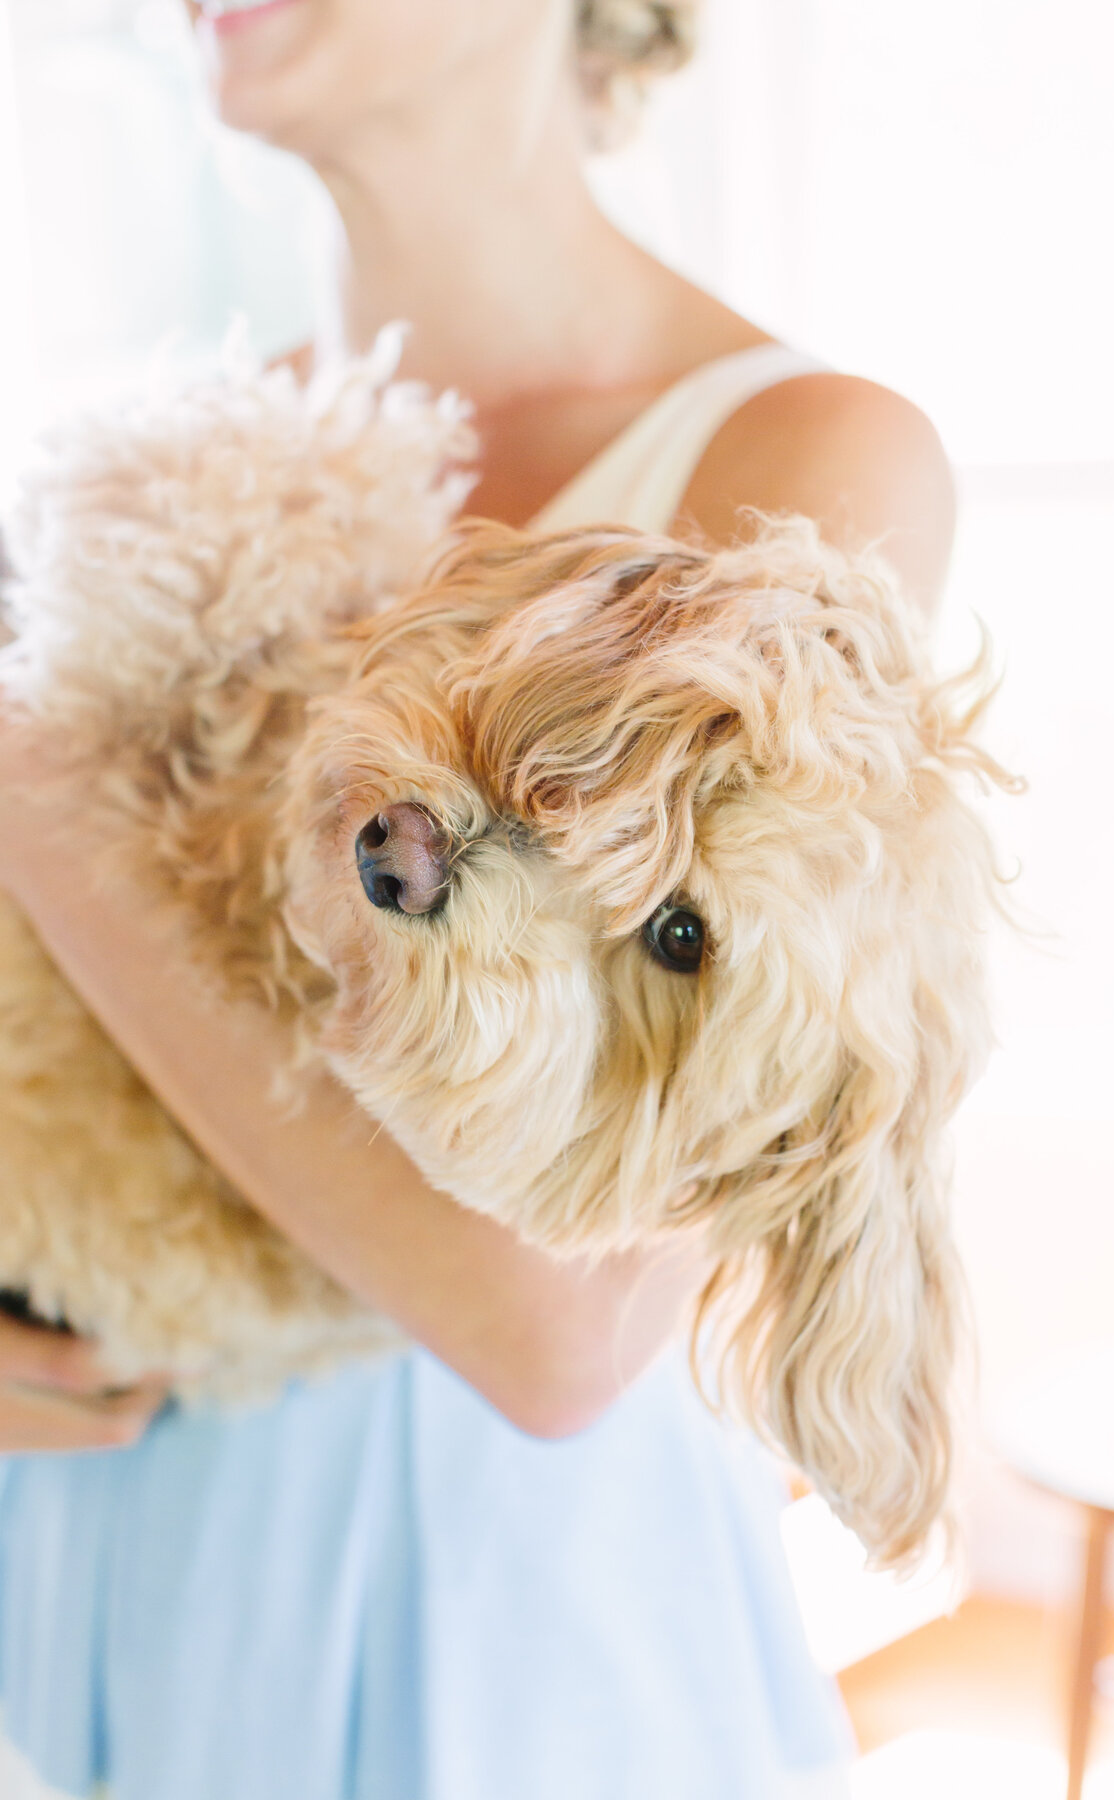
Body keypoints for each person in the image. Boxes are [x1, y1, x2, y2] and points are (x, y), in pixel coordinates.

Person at [0, 2, 955, 1796]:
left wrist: (36, 784)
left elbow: (560, 1330)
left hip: (500, 1592)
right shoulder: (156, 458)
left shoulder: (809, 470)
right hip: (111, 1521)